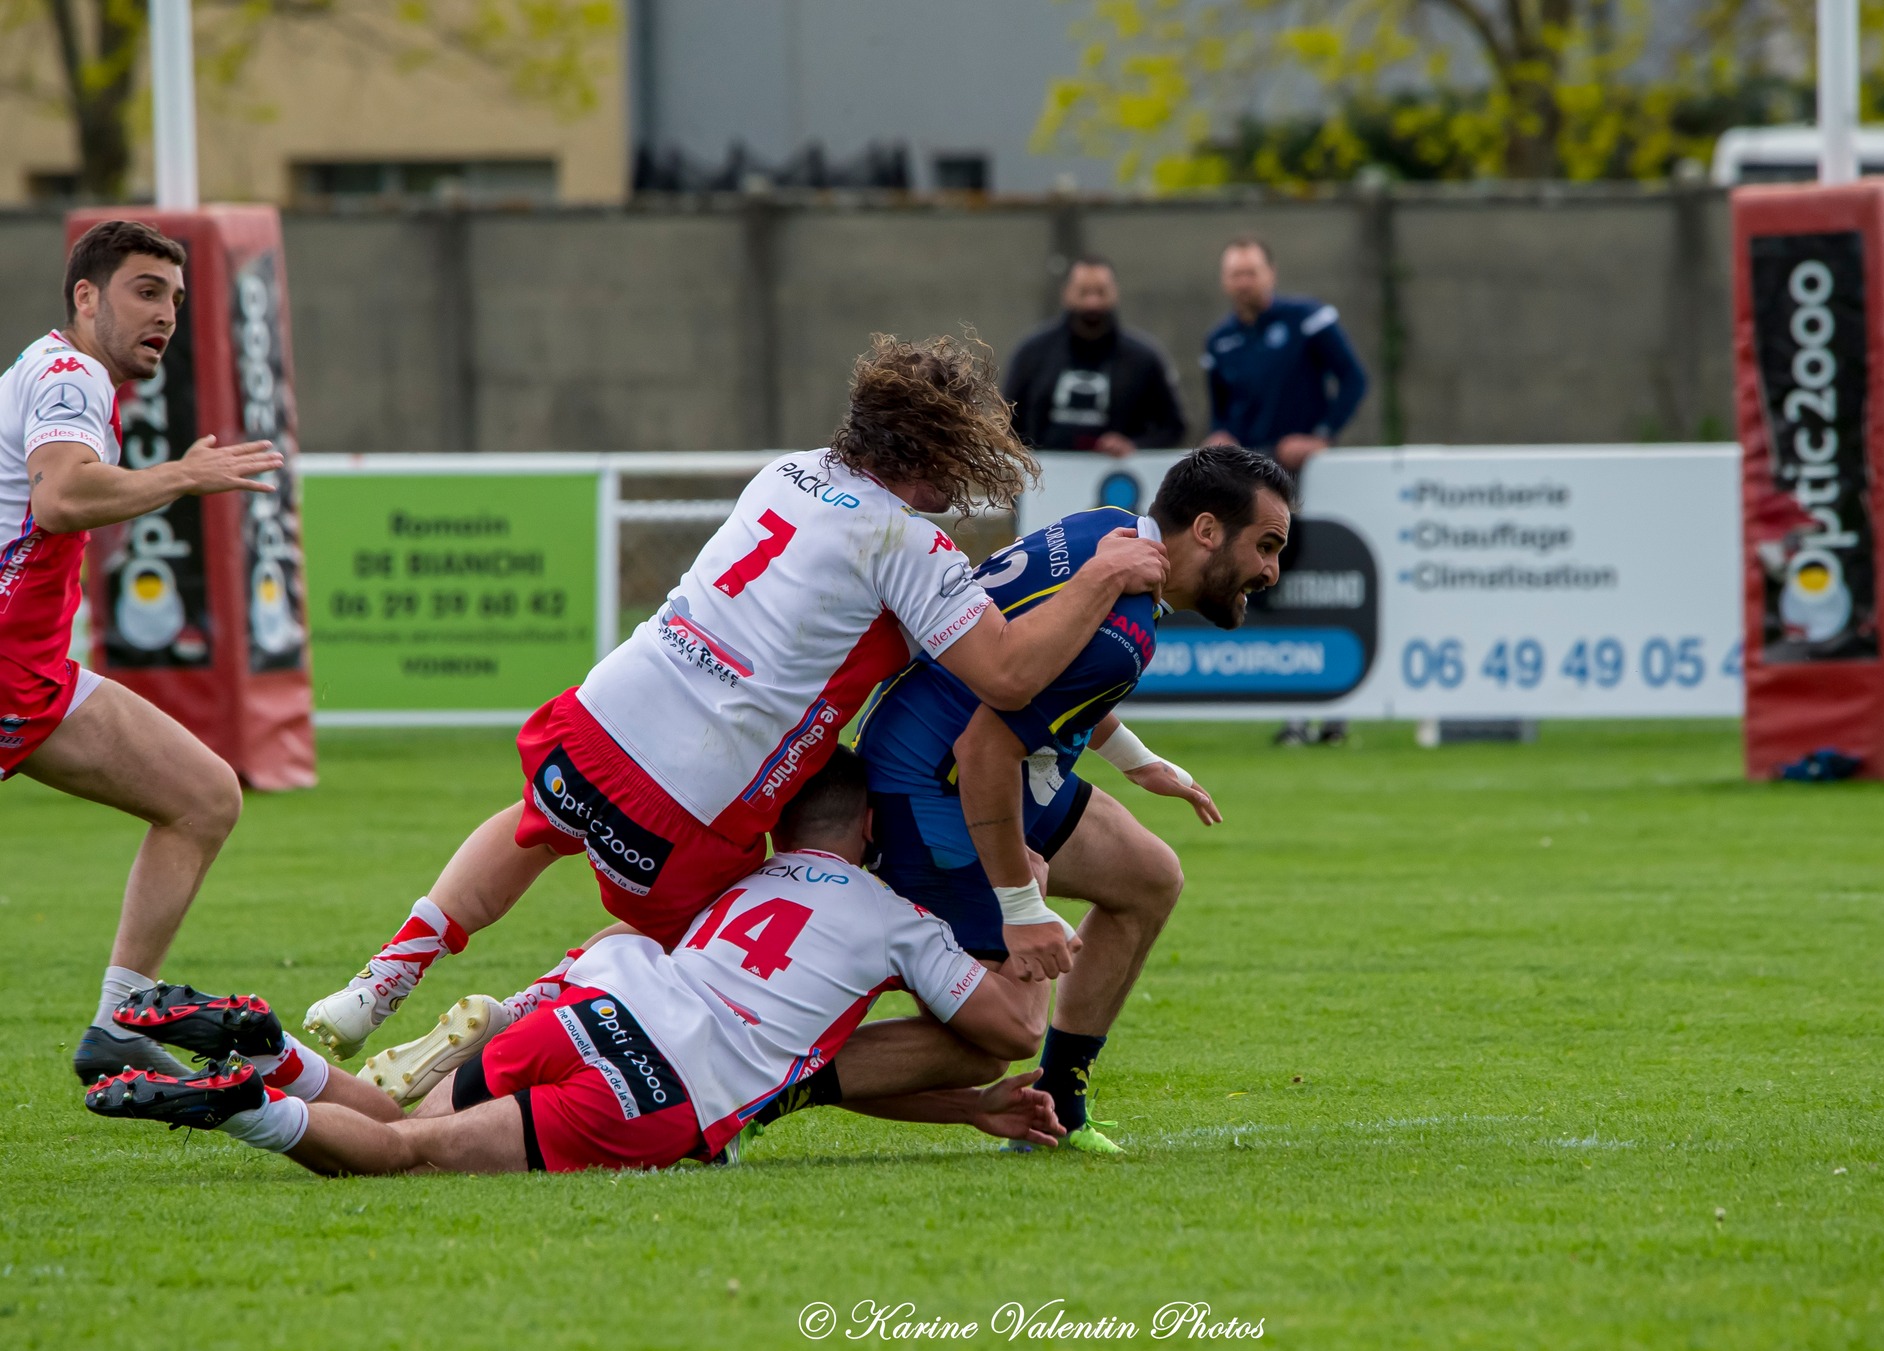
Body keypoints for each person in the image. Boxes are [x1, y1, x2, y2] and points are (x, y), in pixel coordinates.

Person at [302, 334, 1168, 1059]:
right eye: (958, 453)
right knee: (705, 954)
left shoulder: (787, 472)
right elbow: (1010, 675)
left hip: (607, 708)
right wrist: (1100, 577)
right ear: (924, 452)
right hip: (695, 787)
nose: (964, 480)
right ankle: (520, 1015)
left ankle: (381, 980)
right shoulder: (905, 539)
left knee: (535, 826)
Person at [84, 750, 1065, 1173]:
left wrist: (969, 1107)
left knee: (390, 1119)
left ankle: (271, 1050)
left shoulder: (740, 887)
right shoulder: (893, 915)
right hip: (656, 1087)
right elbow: (1010, 1028)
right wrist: (1029, 892)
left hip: (588, 1009)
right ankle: (247, 1099)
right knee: (398, 1160)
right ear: (863, 824)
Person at [827, 445, 1292, 1153]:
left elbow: (1049, 668)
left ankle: (1059, 1100)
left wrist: (1137, 761)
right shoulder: (1125, 629)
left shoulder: (1107, 530)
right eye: (1265, 545)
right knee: (995, 1040)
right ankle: (763, 1087)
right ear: (1204, 529)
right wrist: (1023, 907)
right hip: (934, 789)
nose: (1270, 570)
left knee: (1148, 876)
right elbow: (983, 748)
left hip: (960, 753)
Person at [2, 219, 283, 1084]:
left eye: (175, 298)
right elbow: (61, 497)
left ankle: (122, 1022)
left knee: (202, 795)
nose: (165, 314)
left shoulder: (59, 370)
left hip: (32, 677)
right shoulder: (68, 373)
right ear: (85, 298)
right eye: (145, 291)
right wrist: (183, 478)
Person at [1201, 235, 1366, 746]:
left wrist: (1322, 434)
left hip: (1307, 475)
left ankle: (1338, 711)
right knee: (1266, 583)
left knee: (1321, 578)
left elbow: (1353, 379)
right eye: (1235, 273)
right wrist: (1221, 435)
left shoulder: (1308, 319)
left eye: (1251, 272)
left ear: (1270, 274)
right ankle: (1293, 712)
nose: (1243, 282)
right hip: (1252, 484)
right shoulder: (1219, 341)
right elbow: (1221, 411)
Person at [1002, 255, 1185, 454]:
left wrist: (1133, 446)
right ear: (1067, 293)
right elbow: (1005, 420)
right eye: (1084, 292)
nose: (1092, 302)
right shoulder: (1032, 352)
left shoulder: (1144, 358)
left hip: (1117, 480)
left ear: (1115, 293)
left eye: (1101, 292)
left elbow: (1173, 427)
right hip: (1045, 476)